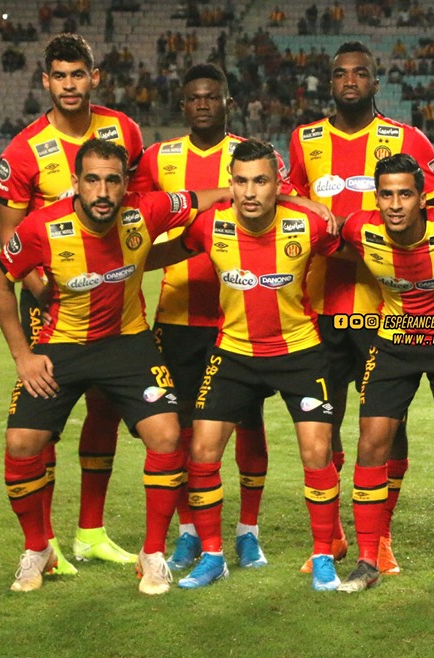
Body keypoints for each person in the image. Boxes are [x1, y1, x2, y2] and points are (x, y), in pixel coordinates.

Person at [0, 138, 223, 594]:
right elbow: (1, 279)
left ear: (126, 184)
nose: (102, 191)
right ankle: (38, 549)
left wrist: (273, 195)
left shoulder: (147, 210)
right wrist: (22, 355)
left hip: (128, 344)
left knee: (167, 435)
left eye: (113, 180)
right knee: (21, 443)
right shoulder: (42, 226)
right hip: (61, 346)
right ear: (76, 183)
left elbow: (207, 197)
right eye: (92, 180)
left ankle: (152, 554)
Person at [288, 41, 434, 575]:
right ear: (330, 82)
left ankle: (380, 538)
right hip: (319, 304)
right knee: (324, 419)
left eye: (361, 73)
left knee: (387, 425)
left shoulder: (407, 140)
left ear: (376, 82)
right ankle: (335, 536)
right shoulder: (305, 139)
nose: (350, 81)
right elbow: (286, 200)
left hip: (386, 310)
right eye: (341, 73)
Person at [148, 139, 343, 592]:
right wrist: (122, 262)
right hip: (233, 352)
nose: (250, 192)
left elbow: (353, 251)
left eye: (261, 181)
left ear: (278, 185)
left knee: (317, 453)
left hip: (299, 352)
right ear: (230, 184)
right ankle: (214, 555)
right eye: (241, 182)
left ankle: (323, 555)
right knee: (202, 451)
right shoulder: (210, 224)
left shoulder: (311, 224)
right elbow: (169, 251)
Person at [0, 32, 144, 575]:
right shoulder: (23, 150)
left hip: (116, 302)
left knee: (105, 410)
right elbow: (10, 237)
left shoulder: (123, 130)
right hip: (52, 306)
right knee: (45, 419)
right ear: (46, 81)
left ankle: (91, 533)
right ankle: (46, 544)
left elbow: (137, 204)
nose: (69, 84)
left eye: (78, 74)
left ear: (94, 76)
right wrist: (45, 290)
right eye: (59, 75)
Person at [132, 63, 289, 573]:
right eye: (194, 97)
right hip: (177, 314)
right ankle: (188, 532)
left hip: (238, 318)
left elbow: (284, 203)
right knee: (179, 429)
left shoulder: (250, 156)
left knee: (248, 423)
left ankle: (248, 532)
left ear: (228, 103)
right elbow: (139, 215)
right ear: (183, 104)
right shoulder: (159, 157)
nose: (203, 104)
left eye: (212, 96)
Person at [335, 154, 434, 597]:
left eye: (405, 194)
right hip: (393, 345)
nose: (395, 204)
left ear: (423, 199)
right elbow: (325, 230)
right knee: (371, 444)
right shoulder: (359, 228)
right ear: (376, 198)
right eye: (386, 195)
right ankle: (368, 561)